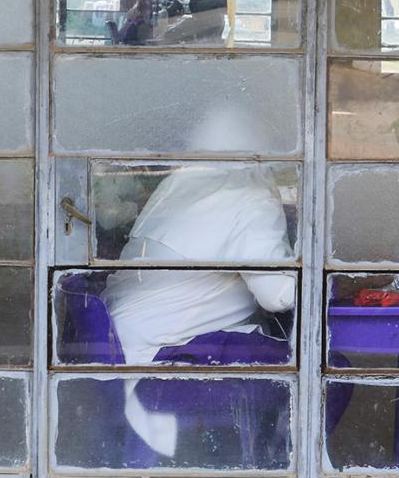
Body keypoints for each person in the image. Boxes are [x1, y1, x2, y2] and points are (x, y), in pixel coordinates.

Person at [101, 113, 296, 457]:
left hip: (119, 349)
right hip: (163, 362)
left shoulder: (176, 186)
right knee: (315, 365)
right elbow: (277, 297)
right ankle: (278, 464)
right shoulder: (251, 198)